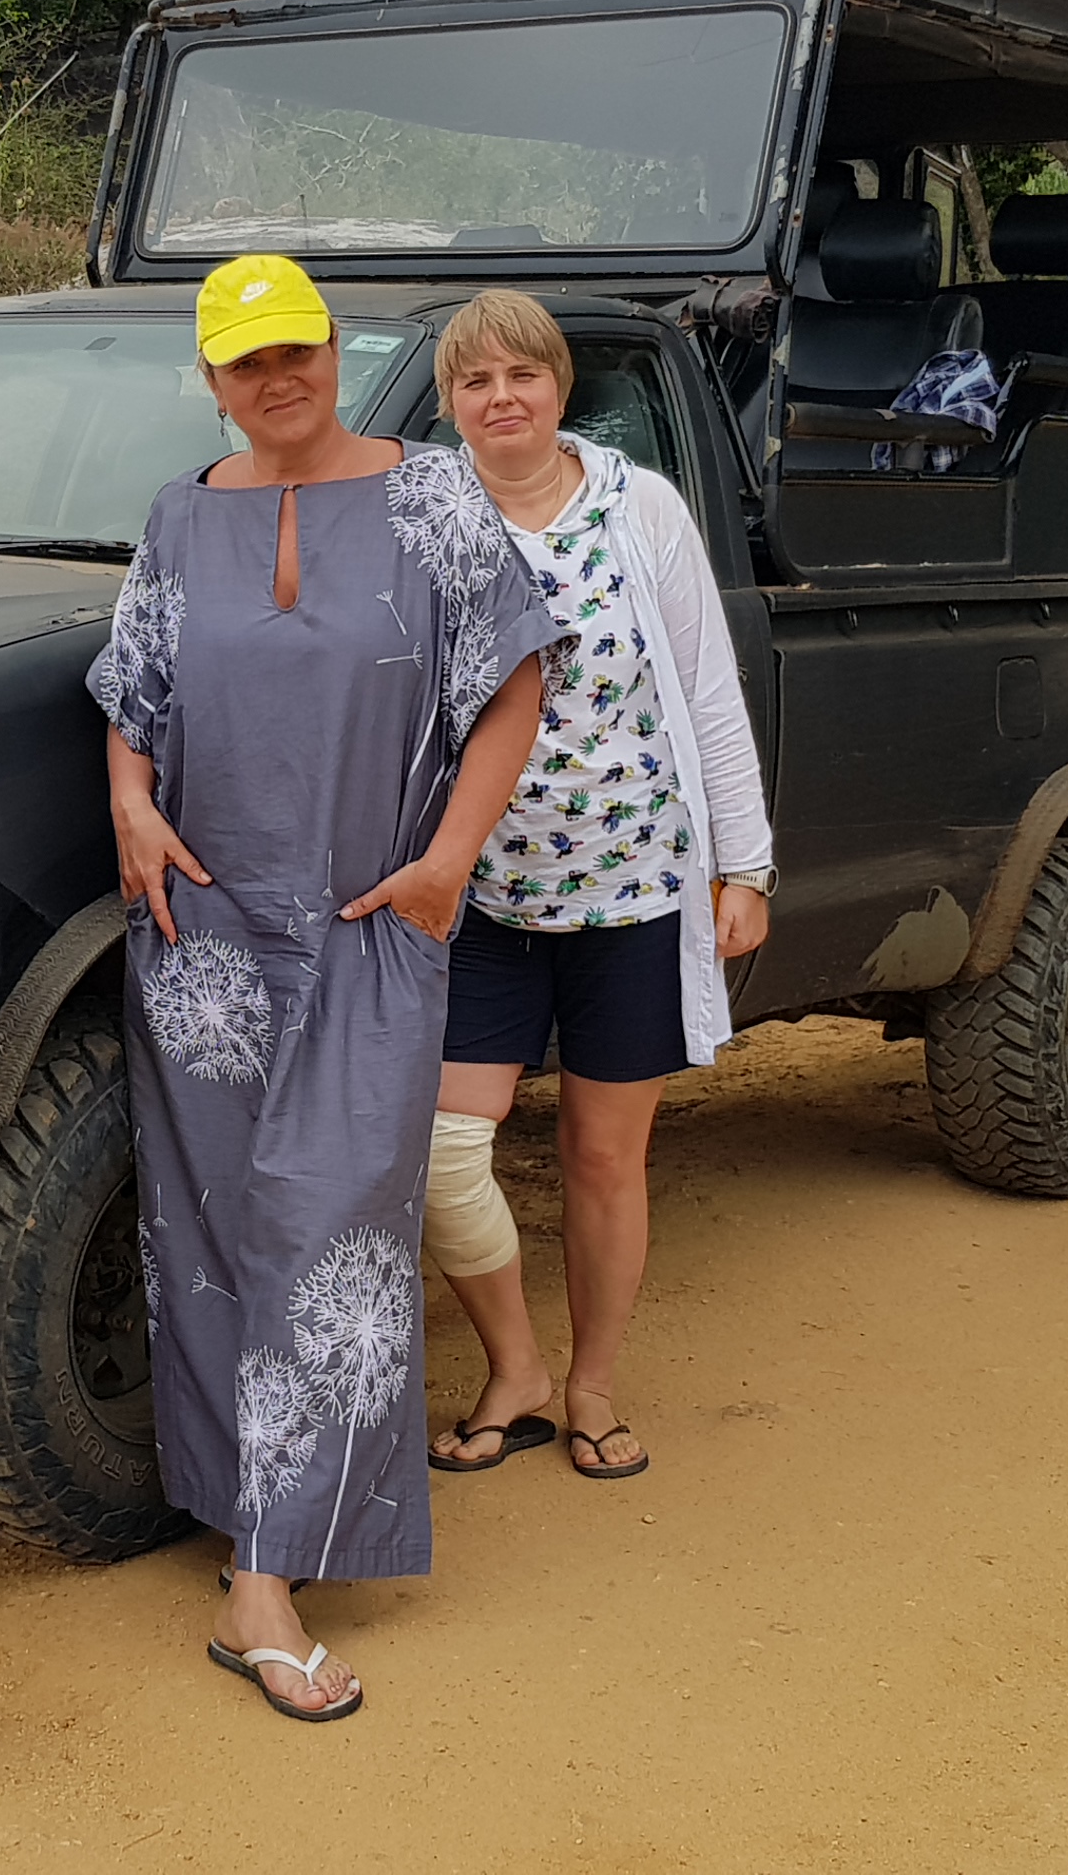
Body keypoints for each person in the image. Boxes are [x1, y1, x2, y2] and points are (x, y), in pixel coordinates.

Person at [91, 255, 559, 1725]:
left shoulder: (430, 496)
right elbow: (135, 695)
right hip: (205, 936)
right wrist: (130, 804)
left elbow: (516, 686)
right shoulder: (182, 512)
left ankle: (268, 1574)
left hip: (371, 919)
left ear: (334, 349)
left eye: (294, 351)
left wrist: (447, 865)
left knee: (338, 1226)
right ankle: (256, 1547)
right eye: (244, 362)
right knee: (219, 1227)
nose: (274, 378)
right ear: (212, 376)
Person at [416, 290, 776, 1482]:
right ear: (449, 402)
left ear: (563, 388)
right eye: (475, 381)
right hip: (478, 897)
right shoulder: (422, 513)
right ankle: (514, 1364)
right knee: (443, 1154)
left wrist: (745, 863)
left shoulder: (640, 506)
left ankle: (592, 1385)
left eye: (523, 374)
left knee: (604, 1159)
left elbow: (707, 687)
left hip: (633, 887)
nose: (501, 397)